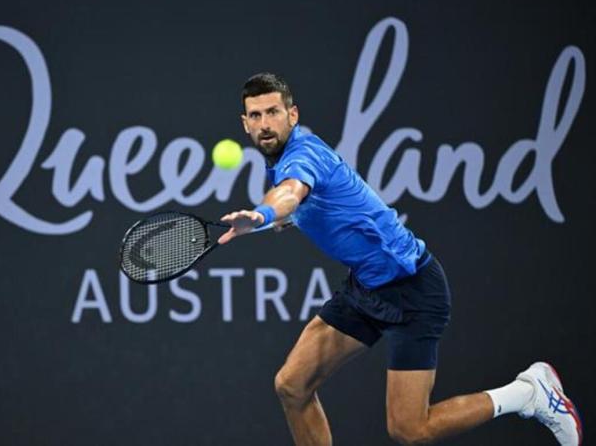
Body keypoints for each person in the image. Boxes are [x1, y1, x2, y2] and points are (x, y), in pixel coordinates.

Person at [218, 72, 582, 445]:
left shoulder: (303, 154)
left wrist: (263, 215)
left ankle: (528, 393)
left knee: (409, 429)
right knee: (292, 386)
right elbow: (304, 205)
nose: (265, 124)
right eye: (256, 116)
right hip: (367, 286)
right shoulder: (280, 160)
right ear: (245, 124)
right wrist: (280, 220)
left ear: (292, 115)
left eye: (273, 112)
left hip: (412, 287)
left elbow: (290, 194)